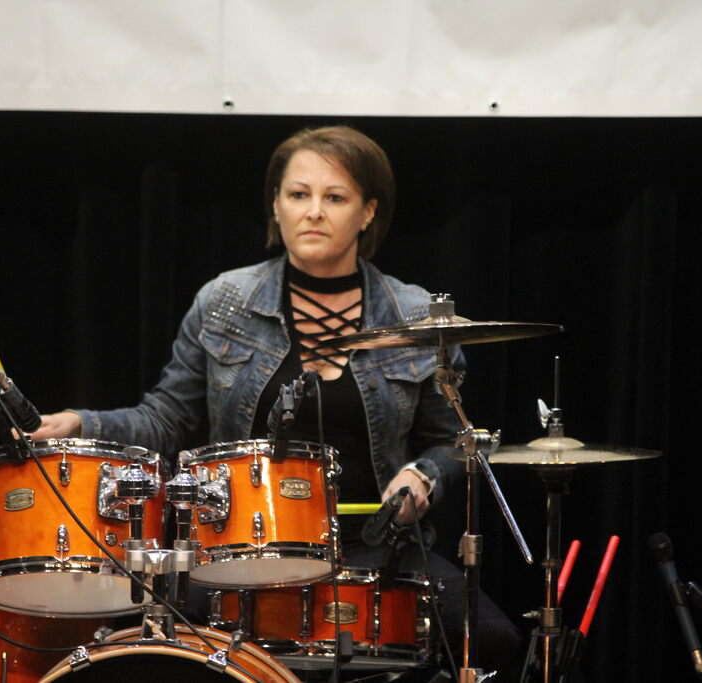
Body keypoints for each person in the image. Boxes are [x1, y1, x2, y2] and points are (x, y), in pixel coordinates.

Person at [32, 125, 523, 680]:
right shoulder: (225, 301)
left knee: (493, 640)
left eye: (334, 197)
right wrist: (79, 422)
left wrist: (422, 477)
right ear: (275, 205)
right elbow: (167, 417)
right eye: (298, 194)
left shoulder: (412, 313)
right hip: (238, 550)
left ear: (368, 212)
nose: (313, 212)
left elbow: (454, 441)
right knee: (144, 644)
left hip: (377, 545)